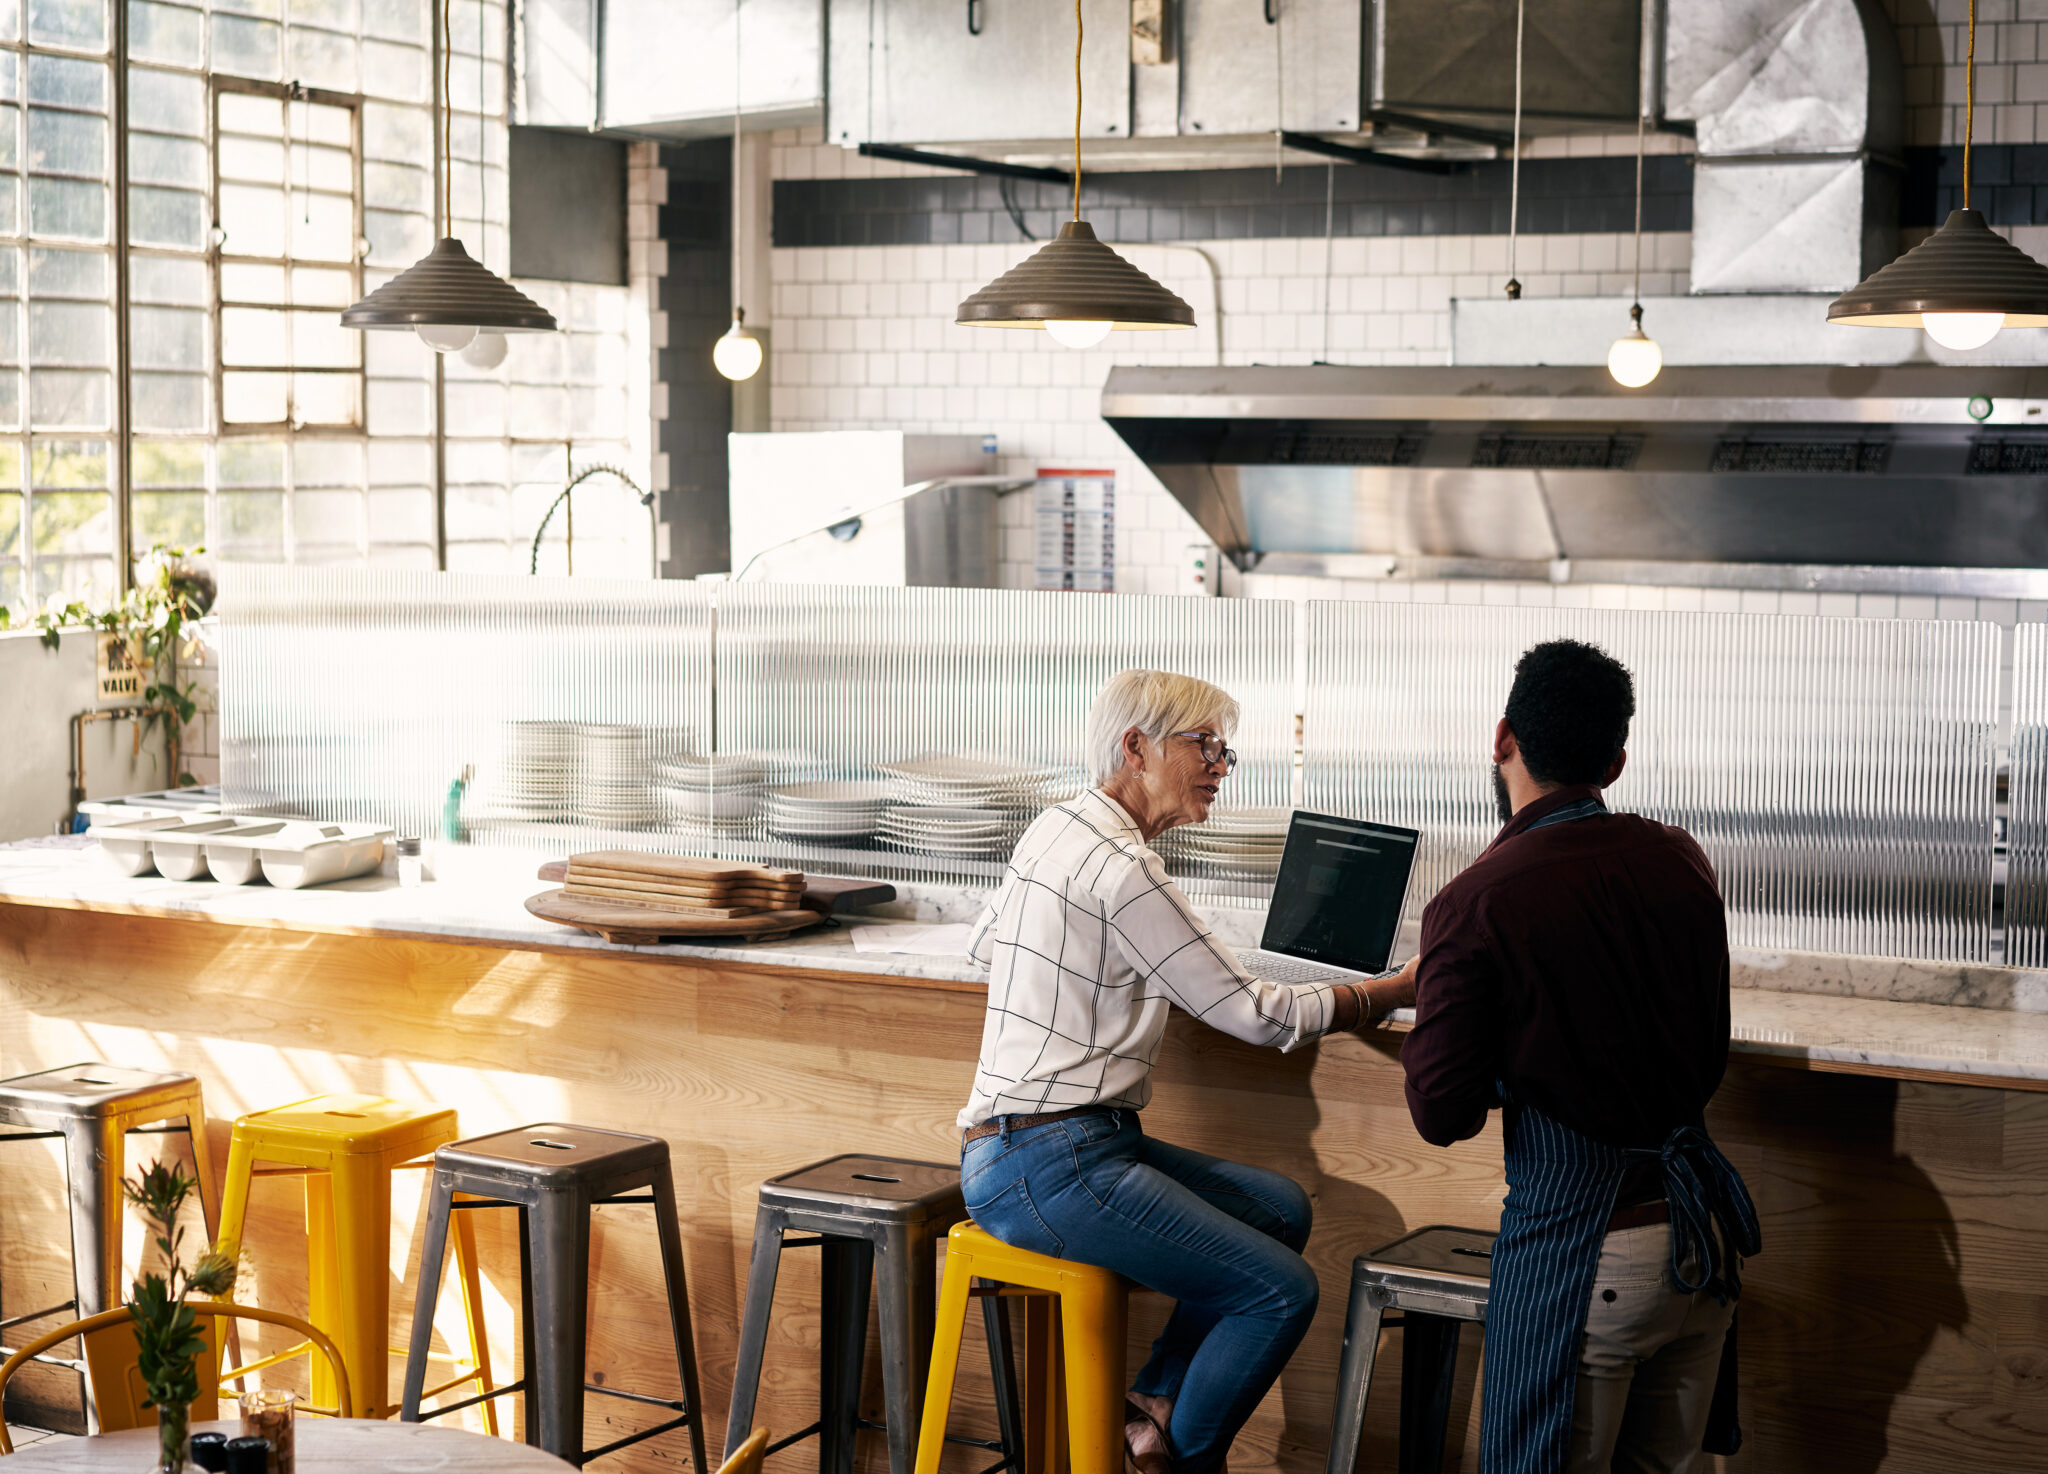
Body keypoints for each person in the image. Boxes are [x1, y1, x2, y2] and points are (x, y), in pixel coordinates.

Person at [960, 668, 1416, 1474]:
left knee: (1277, 1209)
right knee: (1279, 1291)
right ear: (1136, 748)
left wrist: (1100, 971)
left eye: (1224, 747)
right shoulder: (1124, 869)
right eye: (1204, 744)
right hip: (1048, 1162)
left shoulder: (1055, 826)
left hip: (1044, 1145)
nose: (1222, 764)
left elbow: (983, 946)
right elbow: (1260, 1017)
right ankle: (1176, 1459)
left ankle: (1156, 1405)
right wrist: (1397, 990)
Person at [1400, 638, 1760, 1474]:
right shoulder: (1681, 858)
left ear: (1501, 739)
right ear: (1617, 761)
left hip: (1585, 1261)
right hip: (1699, 1251)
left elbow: (1439, 1114)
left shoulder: (1476, 900)